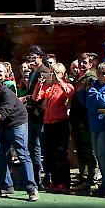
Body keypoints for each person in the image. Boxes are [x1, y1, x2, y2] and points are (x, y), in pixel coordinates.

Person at [0, 78, 39, 201]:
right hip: (3, 125)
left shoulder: (7, 94)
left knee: (22, 154)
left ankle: (32, 188)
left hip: (17, 122)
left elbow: (2, 115)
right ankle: (6, 186)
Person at [78, 63, 105, 197]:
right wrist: (83, 90)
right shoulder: (95, 86)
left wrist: (91, 92)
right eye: (104, 73)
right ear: (98, 74)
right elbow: (86, 103)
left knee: (104, 156)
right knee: (99, 156)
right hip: (94, 125)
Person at [33, 63, 75, 191]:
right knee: (51, 153)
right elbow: (36, 97)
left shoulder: (67, 85)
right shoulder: (49, 87)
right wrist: (40, 84)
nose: (55, 75)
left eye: (58, 72)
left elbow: (69, 93)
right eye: (53, 72)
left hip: (60, 122)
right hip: (48, 123)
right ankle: (55, 182)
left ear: (63, 74)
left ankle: (65, 182)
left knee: (61, 153)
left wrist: (60, 82)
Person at [69, 53, 98, 191]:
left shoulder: (91, 78)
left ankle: (91, 179)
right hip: (75, 118)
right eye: (80, 61)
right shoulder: (77, 77)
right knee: (80, 149)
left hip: (85, 119)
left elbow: (89, 101)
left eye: (84, 62)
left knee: (88, 150)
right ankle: (83, 177)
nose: (82, 64)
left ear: (90, 64)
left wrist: (84, 120)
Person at [23, 45, 50, 187]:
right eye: (30, 57)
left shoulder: (44, 72)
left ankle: (39, 178)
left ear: (40, 57)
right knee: (32, 145)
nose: (31, 60)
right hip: (31, 114)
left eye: (34, 57)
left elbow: (40, 95)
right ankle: (33, 176)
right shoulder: (33, 72)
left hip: (39, 114)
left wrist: (25, 99)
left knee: (38, 146)